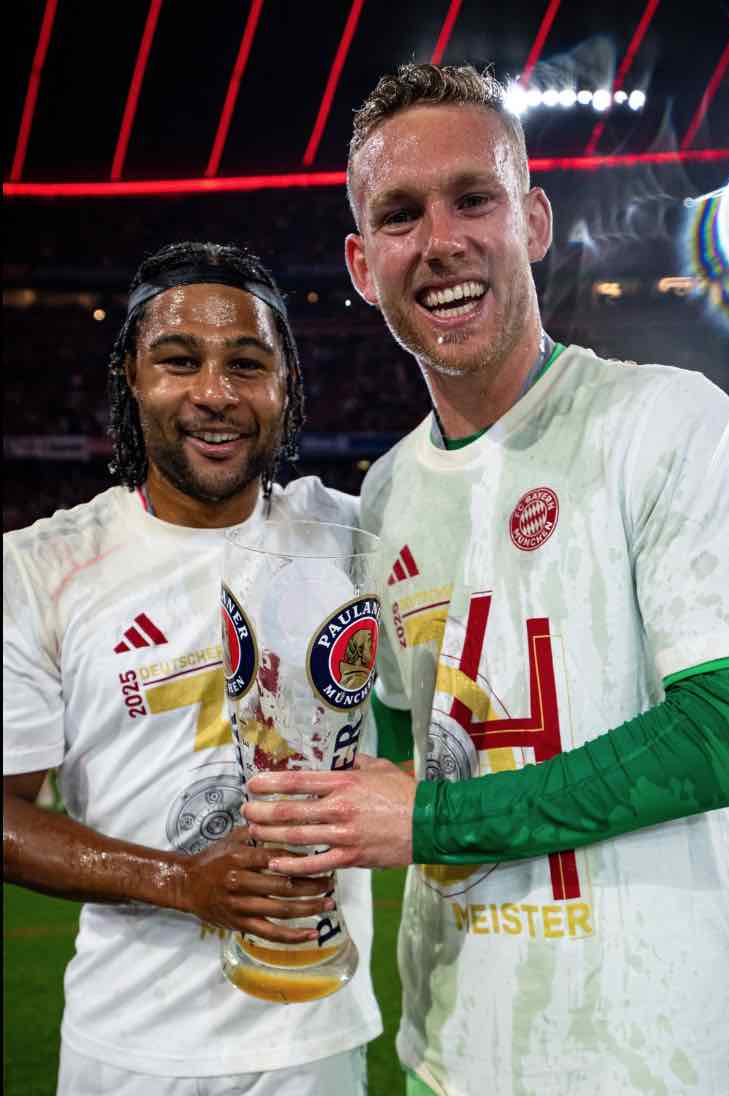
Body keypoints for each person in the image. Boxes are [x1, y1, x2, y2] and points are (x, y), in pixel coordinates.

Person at [240, 64, 729, 1095]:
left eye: (474, 198)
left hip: (653, 1060)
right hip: (450, 1055)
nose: (441, 242)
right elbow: (397, 754)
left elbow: (725, 727)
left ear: (535, 220)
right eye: (400, 215)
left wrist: (433, 822)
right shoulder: (385, 495)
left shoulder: (669, 420)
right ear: (363, 263)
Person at [3, 241, 381, 1095]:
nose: (215, 392)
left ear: (287, 386)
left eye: (247, 364)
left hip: (311, 1040)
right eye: (179, 361)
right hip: (128, 1048)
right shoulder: (39, 568)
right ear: (132, 379)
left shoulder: (353, 534)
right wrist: (181, 883)